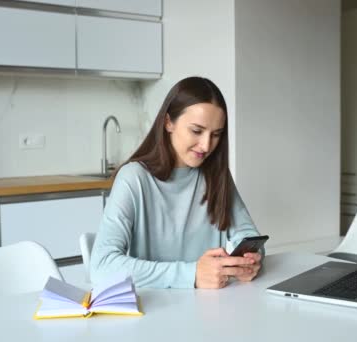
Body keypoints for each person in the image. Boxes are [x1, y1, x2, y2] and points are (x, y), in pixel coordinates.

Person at [89, 76, 264, 289]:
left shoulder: (216, 175)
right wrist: (192, 274)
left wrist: (248, 260)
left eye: (216, 134)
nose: (206, 145)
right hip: (156, 310)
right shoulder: (133, 178)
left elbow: (248, 235)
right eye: (197, 131)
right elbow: (101, 268)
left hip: (211, 308)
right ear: (168, 122)